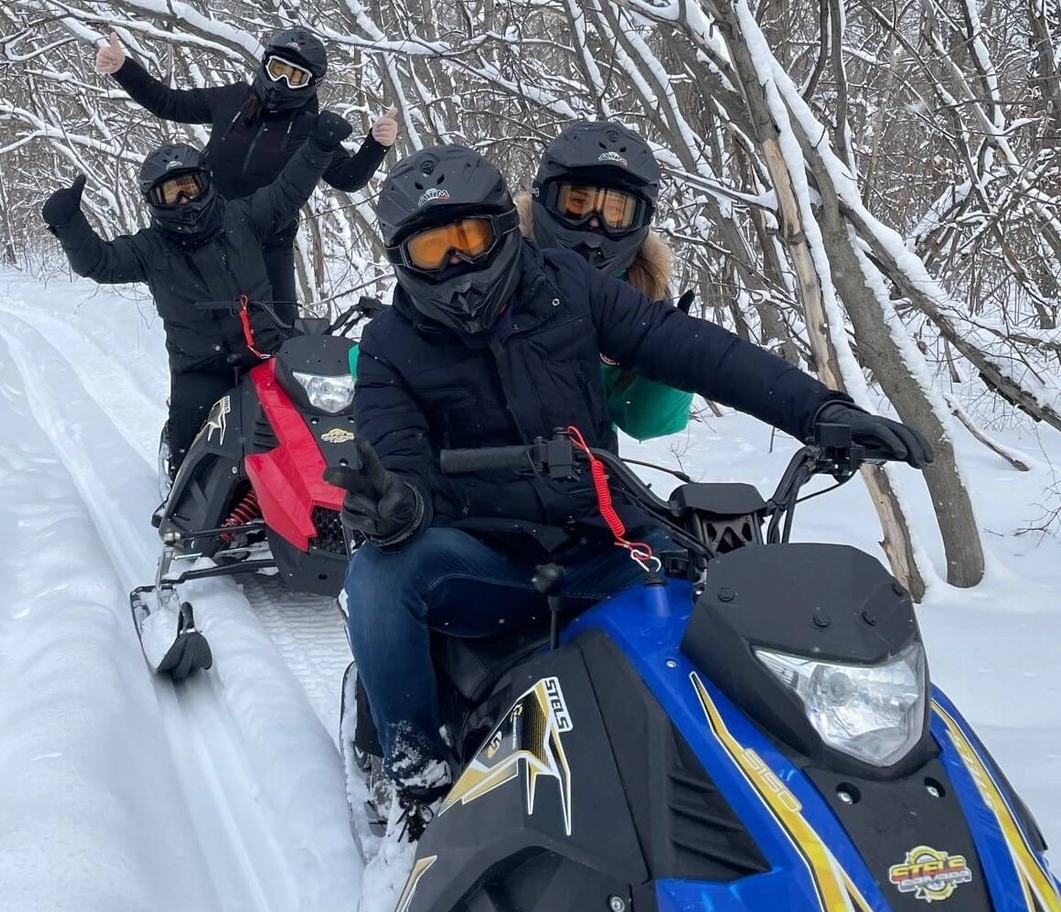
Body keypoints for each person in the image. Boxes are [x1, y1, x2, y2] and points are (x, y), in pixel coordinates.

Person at [325, 144, 932, 838]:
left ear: (503, 227)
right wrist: (397, 502)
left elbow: (685, 344)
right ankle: (419, 777)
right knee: (378, 572)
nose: (459, 264)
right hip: (484, 559)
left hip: (602, 534)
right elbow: (394, 447)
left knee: (730, 580)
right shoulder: (388, 344)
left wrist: (817, 410)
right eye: (436, 249)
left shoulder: (566, 287)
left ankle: (781, 766)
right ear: (404, 260)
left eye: (470, 238)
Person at [41, 111, 353, 478]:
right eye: (171, 193)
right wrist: (70, 226)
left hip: (268, 351)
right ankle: (180, 498)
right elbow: (100, 263)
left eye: (189, 186)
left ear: (205, 182)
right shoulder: (149, 248)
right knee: (190, 451)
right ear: (153, 201)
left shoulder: (243, 218)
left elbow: (287, 192)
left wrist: (319, 146)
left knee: (322, 422)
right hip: (201, 367)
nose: (184, 200)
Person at [95, 26, 399, 321]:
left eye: (295, 76)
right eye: (277, 68)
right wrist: (123, 68)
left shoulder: (312, 129)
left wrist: (376, 144)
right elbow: (170, 103)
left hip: (269, 242)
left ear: (311, 84)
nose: (281, 82)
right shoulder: (234, 99)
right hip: (206, 230)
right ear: (264, 64)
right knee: (203, 326)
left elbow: (347, 178)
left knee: (281, 331)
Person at [518, 118, 692, 441]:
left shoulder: (637, 290)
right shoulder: (500, 270)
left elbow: (642, 419)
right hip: (480, 463)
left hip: (588, 470)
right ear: (546, 196)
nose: (594, 226)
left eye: (615, 213)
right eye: (577, 204)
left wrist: (675, 360)